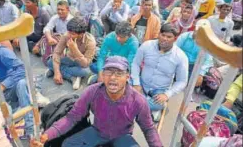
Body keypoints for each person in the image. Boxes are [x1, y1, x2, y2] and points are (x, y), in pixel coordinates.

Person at [30, 56, 163, 147]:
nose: (113, 78)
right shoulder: (92, 91)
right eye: (108, 72)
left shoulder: (138, 100)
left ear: (127, 77)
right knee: (67, 144)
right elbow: (71, 118)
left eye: (118, 73)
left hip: (122, 136)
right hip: (98, 131)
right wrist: (46, 135)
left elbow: (149, 129)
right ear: (102, 75)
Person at [131, 23, 188, 120]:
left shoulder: (180, 57)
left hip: (159, 91)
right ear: (159, 34)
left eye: (169, 37)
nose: (165, 39)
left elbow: (182, 81)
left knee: (158, 104)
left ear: (175, 39)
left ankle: (134, 103)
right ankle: (143, 105)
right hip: (141, 83)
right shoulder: (147, 45)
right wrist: (136, 83)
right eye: (163, 35)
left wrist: (167, 94)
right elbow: (135, 63)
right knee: (122, 85)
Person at [46, 17, 96, 90]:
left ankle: (55, 69)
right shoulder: (67, 35)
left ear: (81, 34)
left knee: (85, 72)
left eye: (72, 34)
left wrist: (75, 49)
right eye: (69, 32)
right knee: (50, 62)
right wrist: (57, 72)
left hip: (81, 64)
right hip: (69, 59)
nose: (69, 35)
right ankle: (72, 77)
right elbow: (56, 53)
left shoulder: (91, 42)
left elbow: (85, 64)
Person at [175, 19, 214, 87]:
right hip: (179, 62)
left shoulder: (207, 43)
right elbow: (174, 50)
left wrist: (201, 74)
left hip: (193, 66)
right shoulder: (184, 36)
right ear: (195, 28)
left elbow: (208, 60)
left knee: (192, 83)